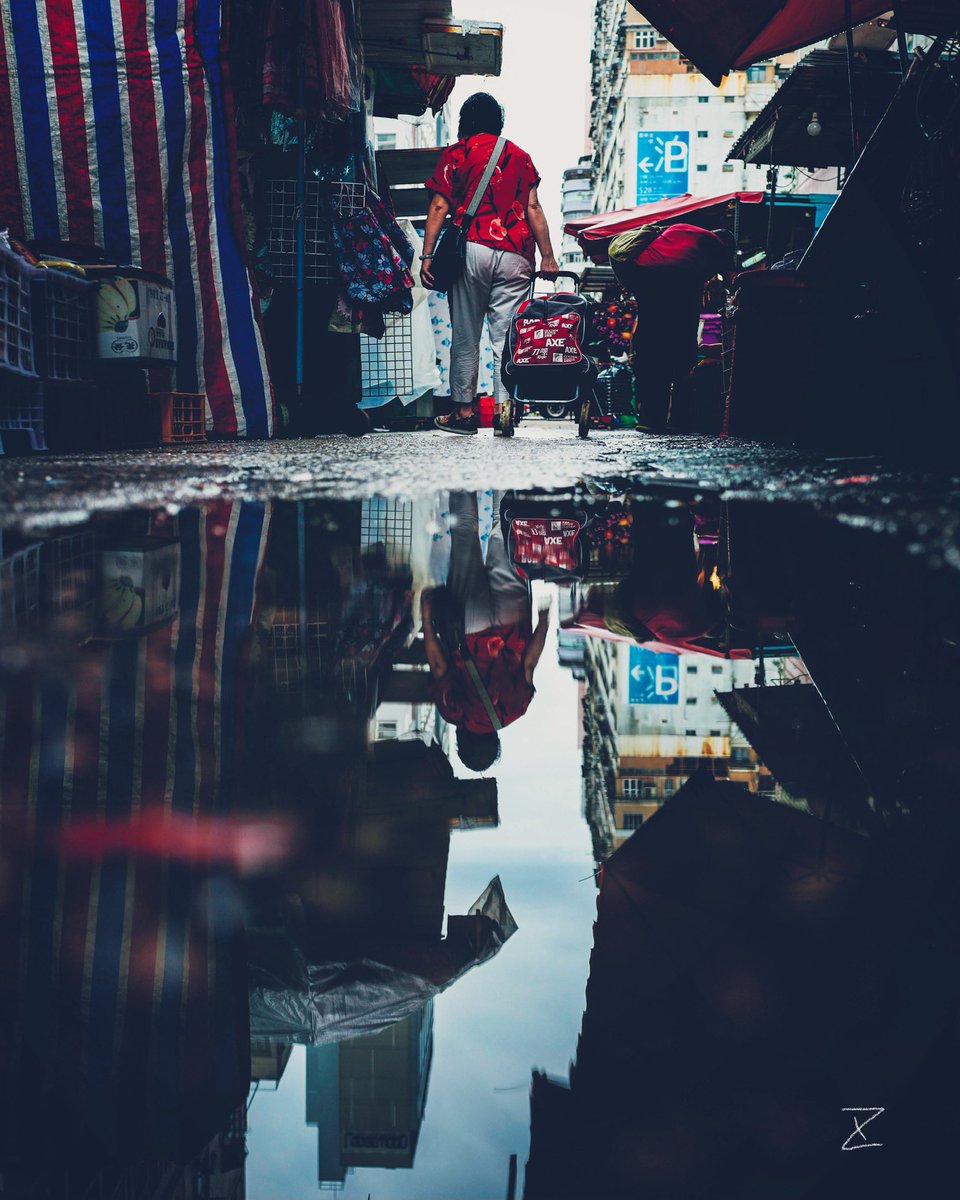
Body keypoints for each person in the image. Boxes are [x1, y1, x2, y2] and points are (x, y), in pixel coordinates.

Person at [421, 93, 559, 434]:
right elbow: (533, 208)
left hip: (470, 250)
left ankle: (464, 414)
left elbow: (439, 207)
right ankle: (503, 411)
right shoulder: (520, 156)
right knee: (506, 338)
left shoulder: (457, 153)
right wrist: (548, 256)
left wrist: (427, 255)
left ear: (465, 121)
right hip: (516, 255)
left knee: (466, 336)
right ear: (498, 121)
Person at [421, 491, 550, 771]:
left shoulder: (515, 709)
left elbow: (529, 662)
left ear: (494, 741)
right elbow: (440, 667)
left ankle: (504, 477)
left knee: (504, 533)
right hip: (470, 628)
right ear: (462, 742)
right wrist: (427, 619)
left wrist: (544, 623)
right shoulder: (455, 712)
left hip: (512, 624)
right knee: (465, 534)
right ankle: (463, 473)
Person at [608, 224, 735, 433]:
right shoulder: (717, 244)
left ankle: (650, 420)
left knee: (652, 348)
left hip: (643, 277)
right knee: (683, 351)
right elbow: (733, 281)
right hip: (678, 282)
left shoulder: (682, 231)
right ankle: (679, 420)